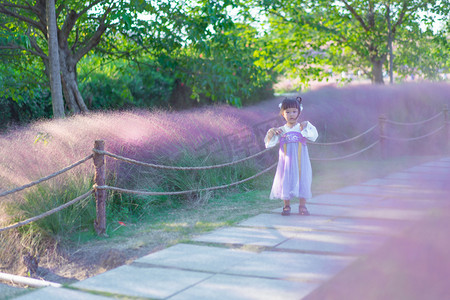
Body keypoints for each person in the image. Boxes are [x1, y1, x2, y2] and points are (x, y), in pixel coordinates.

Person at [264, 97, 318, 216]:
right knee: (286, 180)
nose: (291, 115)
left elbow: (313, 136)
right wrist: (271, 132)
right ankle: (286, 205)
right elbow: (269, 144)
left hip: (301, 161)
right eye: (287, 112)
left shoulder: (302, 127)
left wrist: (306, 126)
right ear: (282, 114)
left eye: (294, 111)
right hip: (286, 162)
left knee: (302, 179)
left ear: (299, 112)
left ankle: (302, 205)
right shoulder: (281, 130)